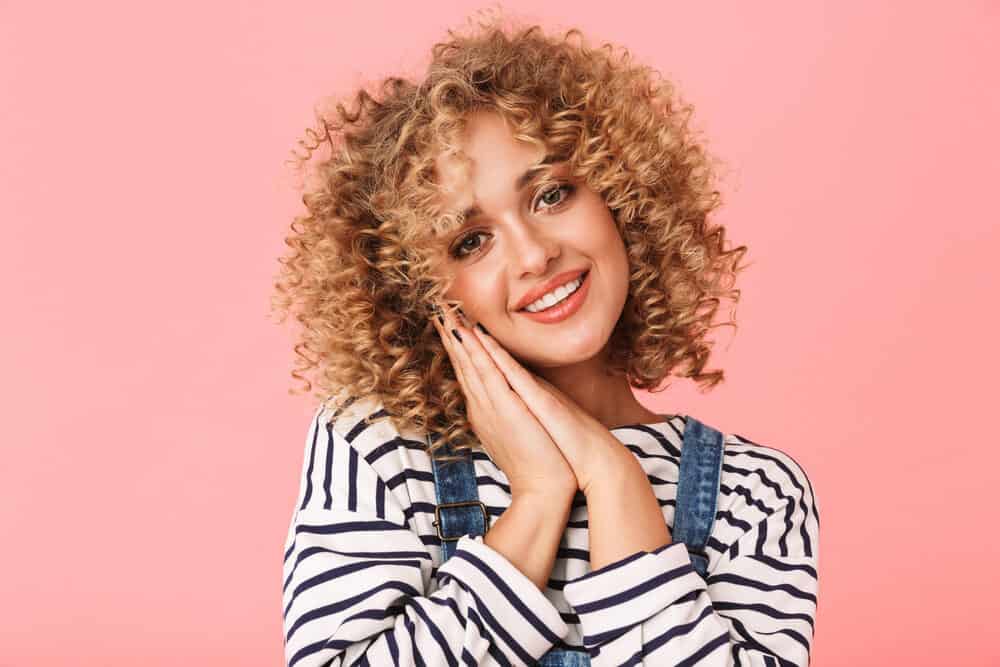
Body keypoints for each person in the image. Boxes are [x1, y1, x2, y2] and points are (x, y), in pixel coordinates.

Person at [272, 12, 820, 667]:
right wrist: (536, 497)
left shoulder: (757, 493)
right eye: (471, 241)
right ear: (423, 292)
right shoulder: (378, 452)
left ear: (621, 194)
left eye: (552, 194)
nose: (533, 255)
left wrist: (614, 478)